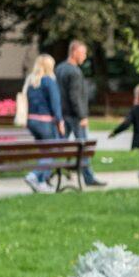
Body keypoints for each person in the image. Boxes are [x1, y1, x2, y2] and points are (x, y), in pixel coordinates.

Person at [55, 40, 105, 187]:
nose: (85, 56)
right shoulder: (74, 72)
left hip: (63, 114)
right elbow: (75, 96)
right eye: (83, 53)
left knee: (58, 147)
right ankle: (89, 178)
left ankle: (44, 174)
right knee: (83, 147)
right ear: (74, 52)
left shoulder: (60, 68)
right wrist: (82, 116)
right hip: (75, 116)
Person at [22, 55, 65, 192]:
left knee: (45, 152)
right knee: (53, 151)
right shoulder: (49, 81)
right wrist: (60, 121)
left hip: (32, 121)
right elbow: (55, 104)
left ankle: (41, 182)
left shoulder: (31, 82)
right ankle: (35, 175)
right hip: (45, 122)